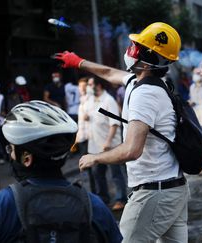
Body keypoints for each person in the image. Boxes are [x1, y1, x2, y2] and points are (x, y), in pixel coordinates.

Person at [55, 22, 189, 242]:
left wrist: (96, 157)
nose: (129, 50)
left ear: (146, 58)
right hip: (173, 189)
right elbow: (109, 73)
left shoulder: (145, 94)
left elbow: (132, 150)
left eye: (135, 46)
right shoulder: (148, 83)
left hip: (153, 193)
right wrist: (78, 62)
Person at [0, 100, 122, 243]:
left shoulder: (1, 206)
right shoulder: (93, 205)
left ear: (26, 158)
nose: (10, 155)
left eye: (10, 149)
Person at [85, 77, 127, 210]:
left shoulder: (109, 100)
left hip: (110, 146)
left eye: (91, 84)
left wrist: (108, 142)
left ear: (98, 85)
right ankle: (103, 199)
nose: (89, 86)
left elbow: (114, 124)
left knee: (116, 174)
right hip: (95, 146)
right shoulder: (90, 100)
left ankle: (121, 199)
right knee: (98, 174)